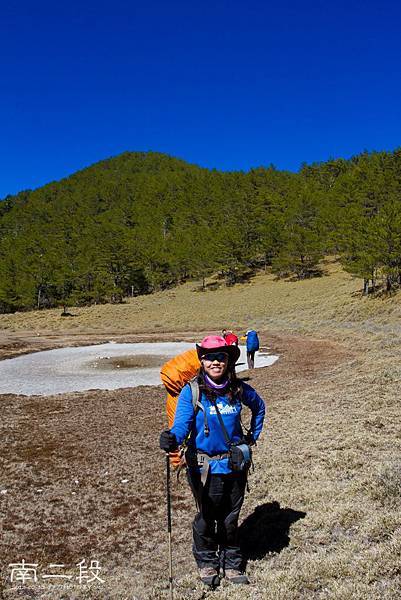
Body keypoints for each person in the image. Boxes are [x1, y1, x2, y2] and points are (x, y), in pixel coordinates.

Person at [159, 335, 265, 587]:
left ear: (228, 361)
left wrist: (252, 437)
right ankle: (207, 561)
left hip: (236, 465)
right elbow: (182, 425)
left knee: (230, 517)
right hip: (203, 467)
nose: (216, 362)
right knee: (207, 515)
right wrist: (172, 439)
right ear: (202, 361)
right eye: (210, 357)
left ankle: (231, 563)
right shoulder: (191, 392)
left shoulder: (239, 390)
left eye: (221, 357)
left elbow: (259, 407)